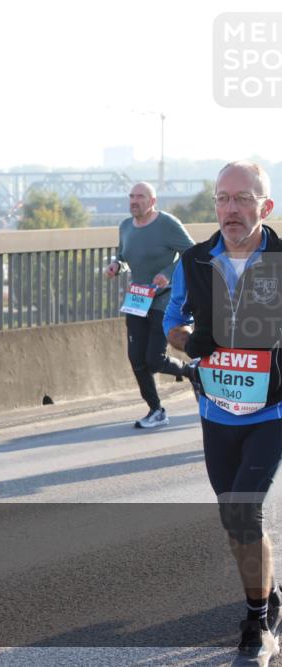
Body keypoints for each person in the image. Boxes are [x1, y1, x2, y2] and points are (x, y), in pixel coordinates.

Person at [164, 161, 282, 665]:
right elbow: (171, 326)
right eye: (222, 198)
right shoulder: (193, 261)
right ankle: (271, 599)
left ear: (265, 206)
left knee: (244, 509)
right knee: (237, 525)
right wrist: (197, 341)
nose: (230, 209)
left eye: (242, 198)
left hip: (272, 409)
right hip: (217, 410)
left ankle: (256, 624)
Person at [104, 182, 195, 428]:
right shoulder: (125, 226)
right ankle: (156, 410)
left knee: (154, 359)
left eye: (140, 197)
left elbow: (192, 253)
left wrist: (168, 271)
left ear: (152, 201)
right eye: (131, 196)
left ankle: (191, 372)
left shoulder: (167, 224)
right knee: (136, 358)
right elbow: (122, 256)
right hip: (138, 299)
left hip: (164, 298)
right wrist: (117, 266)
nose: (134, 201)